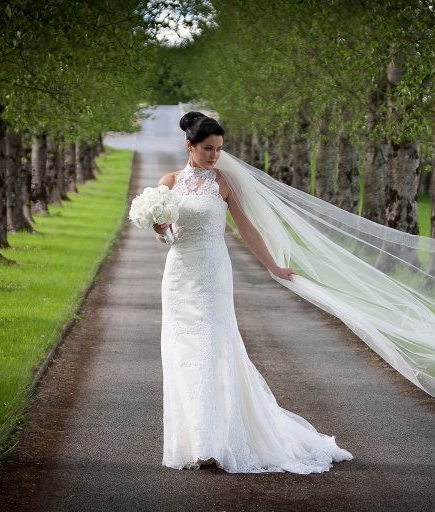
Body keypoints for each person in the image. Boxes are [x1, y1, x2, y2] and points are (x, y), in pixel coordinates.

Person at [153, 111, 354, 473]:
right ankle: (195, 441)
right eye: (208, 149)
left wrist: (273, 266)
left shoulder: (225, 182)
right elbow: (168, 239)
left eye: (219, 149)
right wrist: (160, 227)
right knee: (183, 354)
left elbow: (247, 229)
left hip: (213, 274)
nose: (215, 156)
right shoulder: (168, 182)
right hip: (179, 276)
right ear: (190, 145)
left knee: (214, 350)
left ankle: (212, 444)